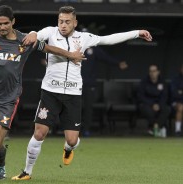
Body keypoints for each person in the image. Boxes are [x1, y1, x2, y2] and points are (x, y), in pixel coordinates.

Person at [12, 5, 152, 180]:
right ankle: (27, 171)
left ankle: (69, 149)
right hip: (50, 92)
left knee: (72, 140)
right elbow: (36, 35)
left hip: (72, 95)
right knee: (39, 133)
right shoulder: (50, 32)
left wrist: (137, 32)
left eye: (67, 22)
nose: (63, 25)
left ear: (75, 22)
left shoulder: (84, 38)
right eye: (61, 21)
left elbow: (108, 39)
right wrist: (33, 33)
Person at [0, 5, 85, 180]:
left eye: (6, 23)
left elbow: (48, 48)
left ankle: (0, 164)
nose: (2, 27)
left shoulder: (25, 41)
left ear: (13, 22)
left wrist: (70, 55)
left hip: (7, 99)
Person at [81, 46, 128, 137]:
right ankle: (71, 130)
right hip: (73, 84)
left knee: (88, 108)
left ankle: (86, 129)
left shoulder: (93, 49)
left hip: (89, 84)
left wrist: (118, 63)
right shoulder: (73, 46)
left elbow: (106, 58)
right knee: (73, 108)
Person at [137, 64, 170, 138]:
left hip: (159, 104)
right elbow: (140, 96)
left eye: (154, 71)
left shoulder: (162, 82)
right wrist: (152, 104)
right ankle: (158, 128)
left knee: (167, 109)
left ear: (158, 72)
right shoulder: (144, 82)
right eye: (150, 71)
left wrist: (159, 105)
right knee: (148, 110)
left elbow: (164, 96)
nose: (152, 73)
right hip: (147, 104)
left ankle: (155, 127)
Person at [170, 64, 183, 136]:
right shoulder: (176, 79)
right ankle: (177, 130)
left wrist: (181, 92)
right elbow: (174, 93)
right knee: (181, 107)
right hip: (176, 102)